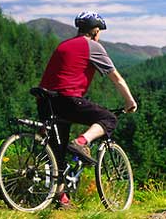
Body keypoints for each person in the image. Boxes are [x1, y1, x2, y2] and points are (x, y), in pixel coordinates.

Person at [37, 11, 137, 208]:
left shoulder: (63, 45)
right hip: (67, 100)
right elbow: (116, 78)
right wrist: (130, 102)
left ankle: (62, 198)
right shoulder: (92, 46)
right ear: (96, 30)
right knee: (108, 119)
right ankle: (82, 142)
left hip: (45, 100)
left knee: (58, 151)